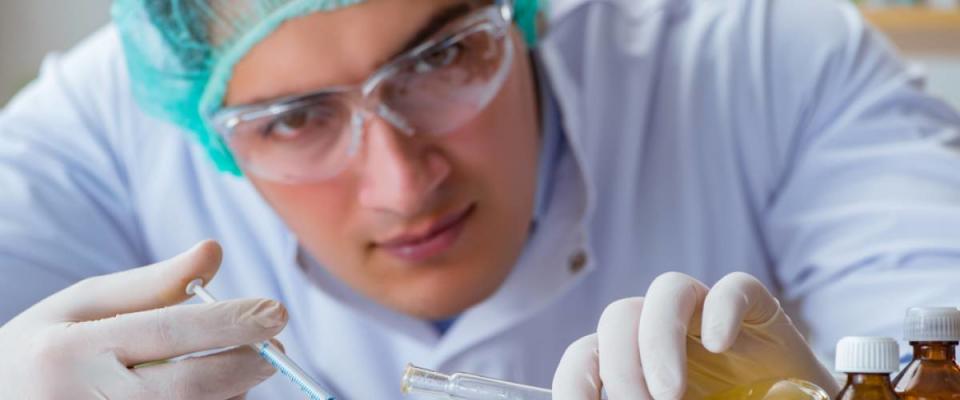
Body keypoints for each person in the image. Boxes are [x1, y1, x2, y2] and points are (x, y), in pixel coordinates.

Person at [1, 0, 959, 398]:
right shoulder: (97, 127)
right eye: (294, 119)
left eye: (445, 55)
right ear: (204, 125)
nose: (402, 183)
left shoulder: (760, 53)